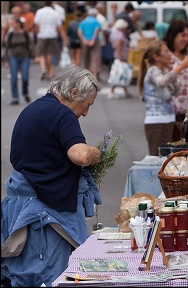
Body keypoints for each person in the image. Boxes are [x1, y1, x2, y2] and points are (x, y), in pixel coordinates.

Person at [1, 65, 103, 287]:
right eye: (87, 105)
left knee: (26, 275)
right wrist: (95, 153)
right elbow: (80, 155)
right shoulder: (62, 114)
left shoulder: (34, 109)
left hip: (22, 206)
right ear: (74, 94)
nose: (85, 113)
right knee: (50, 277)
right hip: (44, 215)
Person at [137, 40, 188, 156]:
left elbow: (176, 91)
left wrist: (172, 74)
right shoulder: (153, 71)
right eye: (166, 51)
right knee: (158, 161)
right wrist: (180, 67)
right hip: (157, 123)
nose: (170, 54)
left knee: (166, 161)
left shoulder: (162, 72)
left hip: (167, 121)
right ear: (156, 57)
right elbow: (161, 82)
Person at [163, 19, 188, 141]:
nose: (186, 39)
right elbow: (163, 80)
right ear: (173, 35)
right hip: (174, 115)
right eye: (182, 35)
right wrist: (182, 65)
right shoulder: (166, 56)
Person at [34, 1, 67, 81]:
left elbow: (36, 25)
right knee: (50, 54)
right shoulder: (55, 13)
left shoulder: (39, 12)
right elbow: (59, 27)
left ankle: (43, 68)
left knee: (41, 53)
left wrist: (37, 33)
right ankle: (49, 73)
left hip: (42, 35)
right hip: (52, 35)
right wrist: (64, 39)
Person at [3, 18, 33, 105]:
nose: (13, 25)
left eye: (15, 23)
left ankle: (25, 92)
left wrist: (35, 55)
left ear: (19, 24)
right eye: (12, 24)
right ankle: (15, 97)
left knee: (25, 77)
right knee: (14, 78)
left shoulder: (25, 33)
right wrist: (5, 60)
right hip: (13, 57)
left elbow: (30, 45)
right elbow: (7, 47)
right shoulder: (11, 34)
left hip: (25, 57)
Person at [108, 19, 131, 98]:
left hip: (116, 56)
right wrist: (120, 57)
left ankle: (125, 90)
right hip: (120, 56)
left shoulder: (113, 33)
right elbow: (118, 46)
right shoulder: (120, 35)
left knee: (120, 73)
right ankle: (113, 90)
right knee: (119, 73)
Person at [77, 8, 102, 78]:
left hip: (85, 41)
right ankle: (94, 75)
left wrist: (84, 40)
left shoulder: (83, 21)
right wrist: (93, 40)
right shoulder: (96, 21)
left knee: (85, 58)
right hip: (94, 41)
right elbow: (97, 30)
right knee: (95, 57)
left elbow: (79, 31)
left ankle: (86, 75)